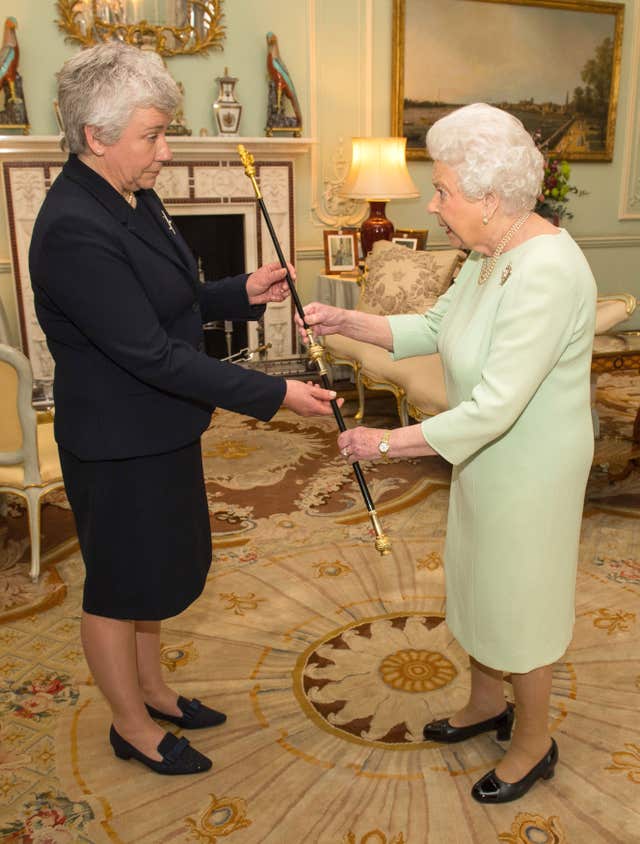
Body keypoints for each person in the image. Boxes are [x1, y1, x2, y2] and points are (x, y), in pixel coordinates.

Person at [29, 42, 340, 777]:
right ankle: (131, 726)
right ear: (95, 137)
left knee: (158, 573)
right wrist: (278, 394)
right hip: (117, 442)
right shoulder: (75, 227)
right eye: (152, 135)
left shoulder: (130, 192)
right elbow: (152, 354)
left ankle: (156, 690)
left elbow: (171, 300)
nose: (165, 150)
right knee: (118, 586)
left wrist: (241, 290)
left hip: (159, 428)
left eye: (165, 133)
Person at [300, 103, 596, 804]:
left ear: (492, 201)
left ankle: (532, 743)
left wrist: (383, 442)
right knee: (478, 580)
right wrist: (350, 320)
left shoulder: (547, 270)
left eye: (445, 192)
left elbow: (495, 405)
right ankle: (485, 704)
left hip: (532, 464)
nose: (433, 206)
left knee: (522, 600)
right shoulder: (492, 253)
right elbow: (435, 324)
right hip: (486, 455)